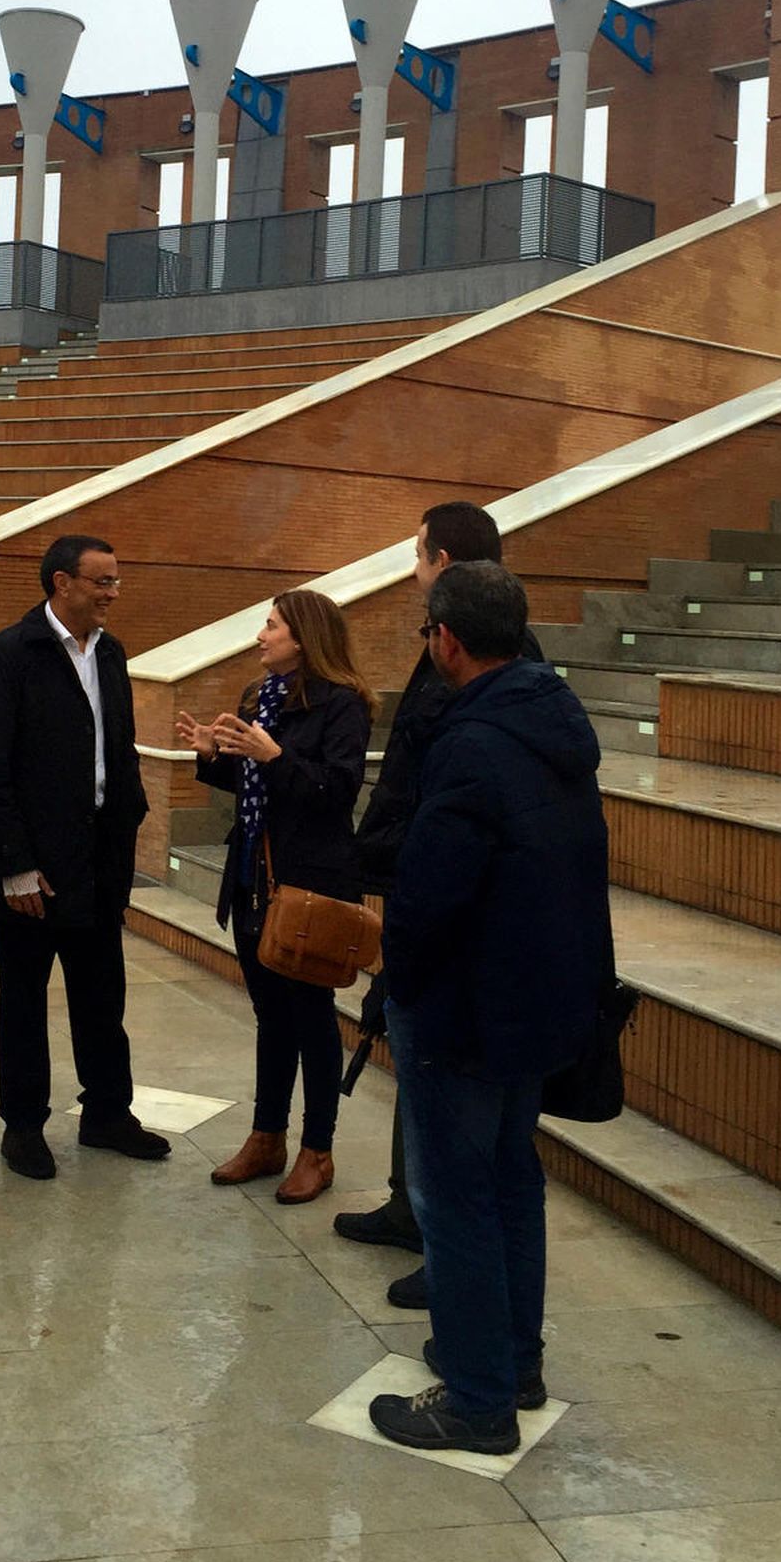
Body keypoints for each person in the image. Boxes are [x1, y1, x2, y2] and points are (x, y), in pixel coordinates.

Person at [367, 562, 610, 1456]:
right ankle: (513, 1360)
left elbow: (431, 892)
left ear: (447, 640)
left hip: (468, 1008)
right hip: (538, 1001)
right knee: (511, 1179)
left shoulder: (469, 741)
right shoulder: (552, 721)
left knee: (461, 1197)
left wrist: (402, 979)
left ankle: (477, 1397)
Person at [337, 501, 544, 1278]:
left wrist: (406, 899)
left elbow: (449, 799)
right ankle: (408, 1206)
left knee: (464, 1126)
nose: (411, 561)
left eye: (418, 549)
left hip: (460, 927)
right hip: (432, 894)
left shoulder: (488, 679)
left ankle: (447, 1266)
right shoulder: (484, 661)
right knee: (420, 1072)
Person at [0, 533, 169, 1179]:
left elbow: (120, 747)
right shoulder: (9, 654)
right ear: (61, 583)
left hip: (98, 861)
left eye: (116, 580)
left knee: (102, 995)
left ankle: (108, 1112)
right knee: (24, 999)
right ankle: (23, 1126)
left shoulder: (111, 653)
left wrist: (130, 815)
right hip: (34, 869)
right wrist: (14, 863)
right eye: (101, 581)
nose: (112, 592)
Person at [176, 589, 374, 1206]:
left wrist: (275, 754)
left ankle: (319, 1150)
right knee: (270, 1017)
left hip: (310, 884)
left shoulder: (344, 704)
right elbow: (253, 786)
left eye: (271, 626)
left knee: (312, 1021)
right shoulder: (258, 697)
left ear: (304, 637)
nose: (261, 636)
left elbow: (336, 792)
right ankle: (267, 1137)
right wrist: (215, 757)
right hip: (253, 877)